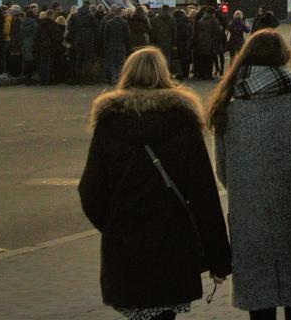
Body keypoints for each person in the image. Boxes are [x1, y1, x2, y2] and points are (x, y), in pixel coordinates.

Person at [80, 47, 230, 320]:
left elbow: (90, 191)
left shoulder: (109, 120)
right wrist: (219, 258)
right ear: (164, 74)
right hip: (172, 240)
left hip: (125, 241)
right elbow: (203, 193)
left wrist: (114, 223)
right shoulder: (182, 118)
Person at [207, 30, 291, 320]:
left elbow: (223, 171)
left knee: (260, 308)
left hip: (250, 226)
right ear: (283, 59)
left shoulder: (227, 111)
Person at [103, 6, 132, 86]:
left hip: (111, 46)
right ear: (120, 13)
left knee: (112, 63)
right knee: (120, 63)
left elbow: (105, 35)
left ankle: (113, 79)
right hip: (121, 46)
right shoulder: (124, 23)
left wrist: (106, 46)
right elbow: (128, 36)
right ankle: (119, 80)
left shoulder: (109, 23)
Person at [20, 5, 40, 84]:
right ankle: (30, 78)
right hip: (32, 43)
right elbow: (36, 33)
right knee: (31, 61)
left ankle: (26, 78)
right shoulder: (34, 23)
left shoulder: (23, 23)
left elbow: (20, 33)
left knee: (26, 61)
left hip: (24, 43)